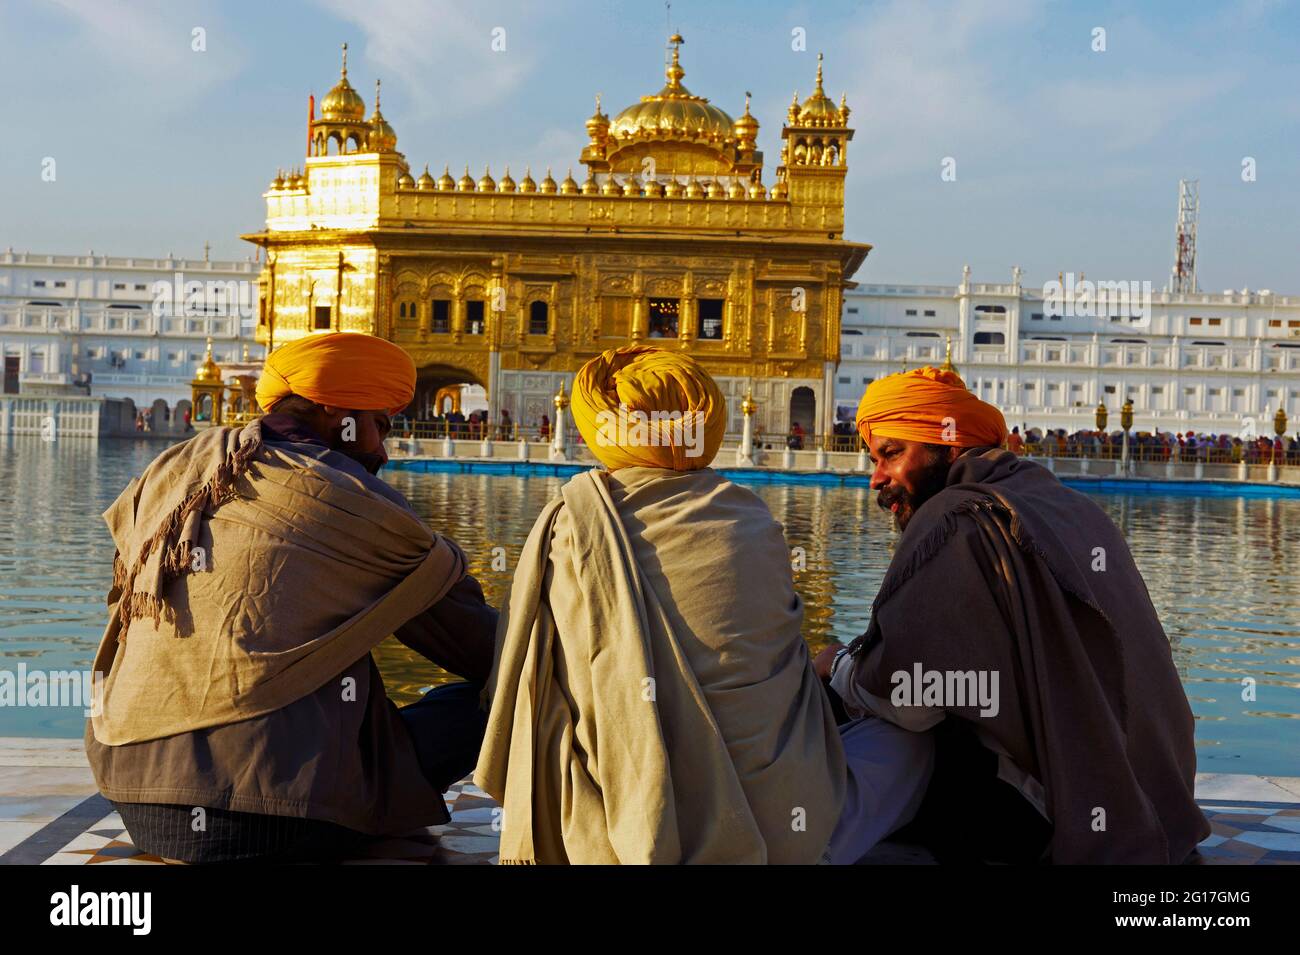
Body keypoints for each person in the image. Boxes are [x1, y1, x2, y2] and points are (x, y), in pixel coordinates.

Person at [85, 332, 497, 863]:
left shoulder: (175, 469)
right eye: (380, 424)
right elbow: (483, 648)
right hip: (284, 822)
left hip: (138, 804)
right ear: (334, 411)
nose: (381, 448)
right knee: (508, 685)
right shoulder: (351, 497)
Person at [475, 345, 857, 864]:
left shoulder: (571, 527)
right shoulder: (756, 522)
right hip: (785, 827)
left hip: (618, 835)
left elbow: (524, 682)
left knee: (544, 699)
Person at [815, 365, 1208, 864]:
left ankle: (796, 844)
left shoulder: (956, 518)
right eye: (875, 459)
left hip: (1051, 819)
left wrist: (837, 667)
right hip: (1152, 807)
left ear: (949, 446)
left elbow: (908, 698)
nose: (877, 478)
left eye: (891, 454)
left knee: (858, 714)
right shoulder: (1067, 504)